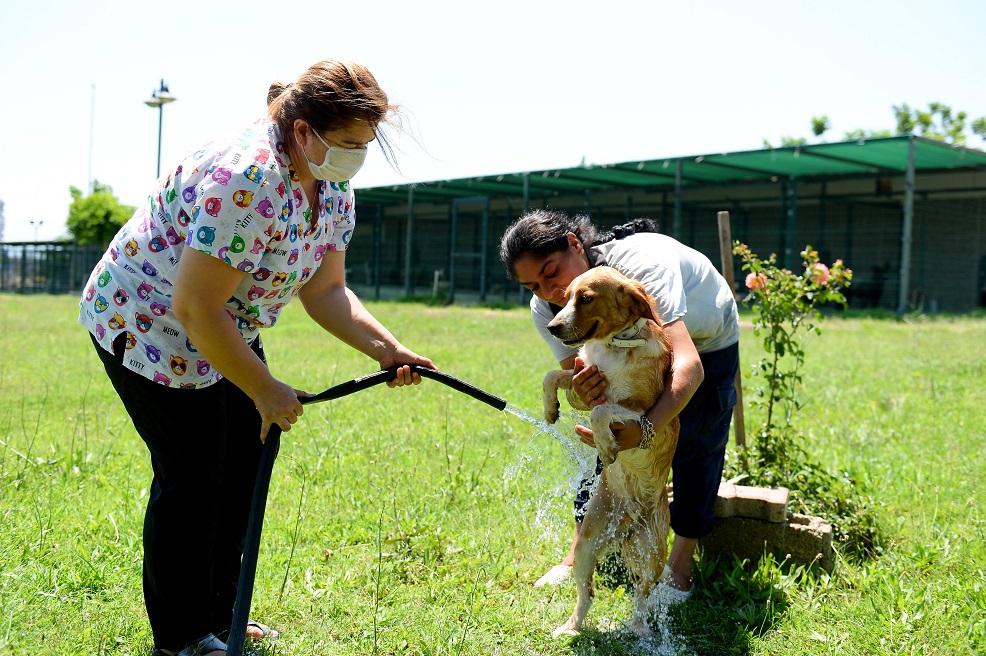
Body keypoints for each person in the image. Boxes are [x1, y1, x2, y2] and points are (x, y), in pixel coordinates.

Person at [79, 59, 435, 656]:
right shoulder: (246, 176)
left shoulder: (330, 183)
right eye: (349, 144)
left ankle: (222, 614)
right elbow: (194, 307)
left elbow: (325, 290)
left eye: (365, 146)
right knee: (193, 477)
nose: (357, 158)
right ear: (303, 132)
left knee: (242, 470)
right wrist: (266, 388)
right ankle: (183, 637)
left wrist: (388, 349)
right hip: (149, 323)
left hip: (224, 323)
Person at [498, 209, 739, 603]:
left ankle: (680, 564)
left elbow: (688, 367)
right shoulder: (548, 310)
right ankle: (578, 553)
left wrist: (645, 430)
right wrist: (586, 397)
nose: (548, 292)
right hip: (625, 345)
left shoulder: (640, 272)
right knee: (607, 440)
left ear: (576, 244)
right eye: (532, 285)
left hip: (705, 340)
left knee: (697, 443)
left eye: (551, 272)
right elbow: (582, 388)